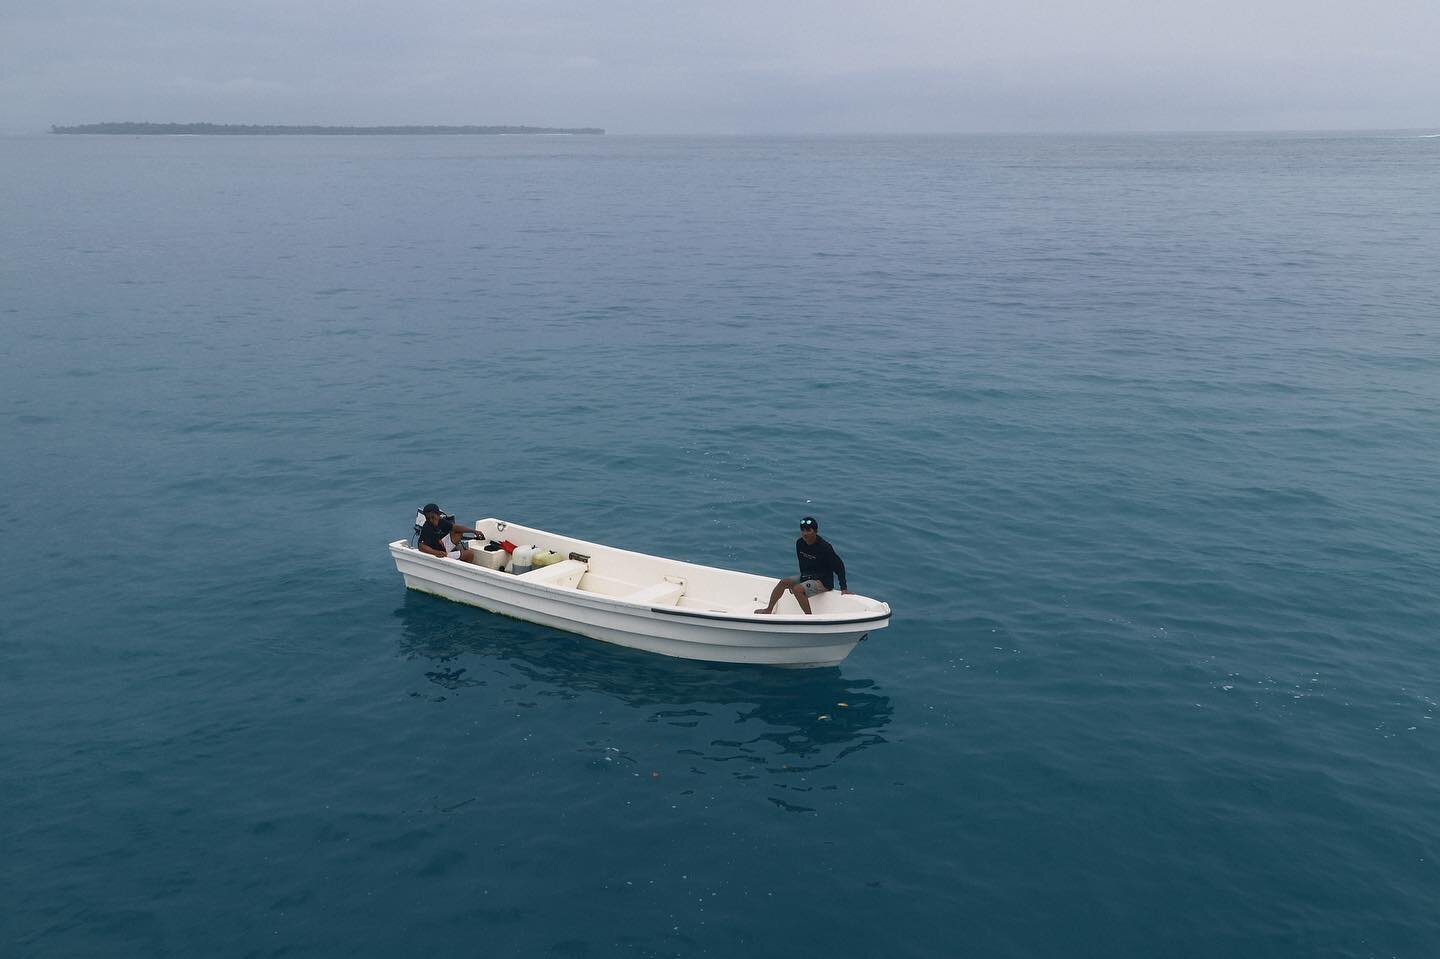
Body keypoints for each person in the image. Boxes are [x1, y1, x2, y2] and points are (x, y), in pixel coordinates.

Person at [755, 516, 850, 615]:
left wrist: (844, 588)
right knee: (783, 582)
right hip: (806, 576)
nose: (805, 533)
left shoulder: (825, 548)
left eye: (808, 530)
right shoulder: (800, 543)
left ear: (815, 531)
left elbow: (839, 566)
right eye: (802, 530)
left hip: (823, 582)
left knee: (797, 589)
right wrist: (804, 579)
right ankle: (768, 610)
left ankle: (809, 619)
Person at [416, 503, 482, 564]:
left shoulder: (441, 521)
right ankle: (459, 564)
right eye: (428, 518)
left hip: (441, 547)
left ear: (438, 515)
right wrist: (436, 552)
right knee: (470, 554)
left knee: (458, 532)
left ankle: (456, 558)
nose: (431, 520)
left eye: (433, 517)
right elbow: (421, 546)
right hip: (439, 554)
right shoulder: (426, 527)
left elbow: (455, 527)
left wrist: (473, 531)